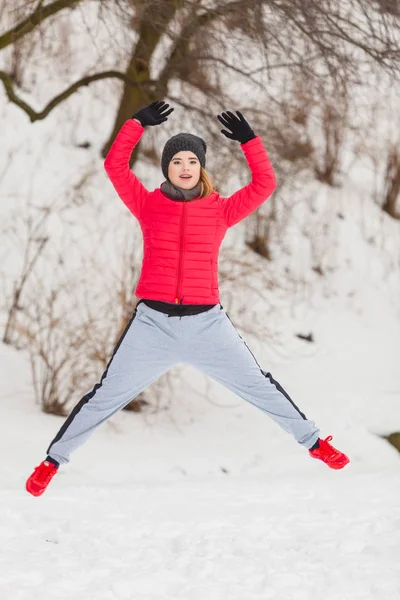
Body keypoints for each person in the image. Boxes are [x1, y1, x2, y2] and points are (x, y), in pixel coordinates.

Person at [26, 101, 349, 497]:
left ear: (201, 168)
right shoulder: (147, 205)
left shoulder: (220, 210)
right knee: (105, 395)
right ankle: (51, 462)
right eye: (176, 160)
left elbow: (264, 184)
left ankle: (315, 443)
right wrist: (136, 124)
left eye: (191, 160)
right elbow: (115, 166)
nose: (184, 166)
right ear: (166, 168)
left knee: (260, 386)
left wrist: (250, 141)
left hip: (207, 324)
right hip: (152, 325)